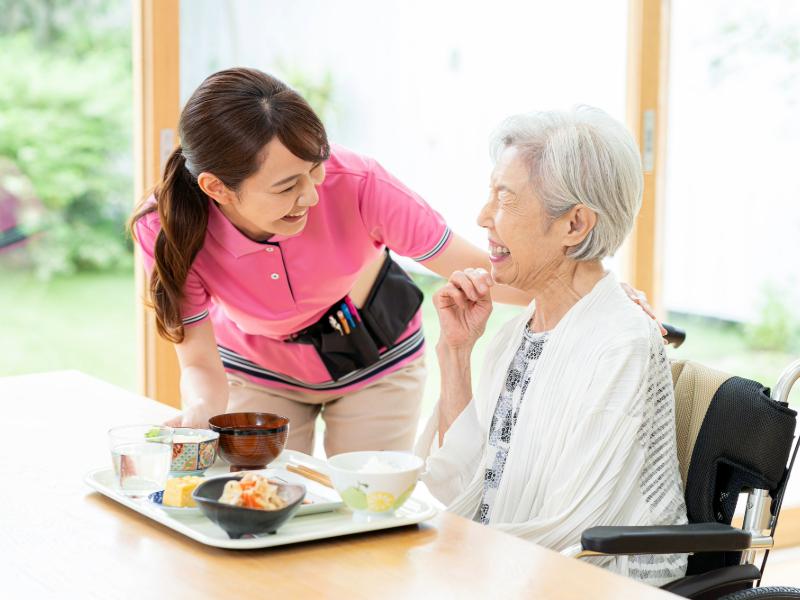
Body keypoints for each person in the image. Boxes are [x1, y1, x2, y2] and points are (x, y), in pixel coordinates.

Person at [130, 68, 657, 458]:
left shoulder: (359, 184)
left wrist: (597, 290)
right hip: (259, 370)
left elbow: (484, 273)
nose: (312, 195)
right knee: (263, 506)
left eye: (315, 170)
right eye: (287, 185)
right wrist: (201, 414)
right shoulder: (170, 228)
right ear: (217, 188)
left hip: (375, 363)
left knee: (362, 524)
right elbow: (199, 362)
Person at [416, 107, 688, 586]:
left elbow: (573, 534)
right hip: (506, 567)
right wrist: (456, 353)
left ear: (575, 225)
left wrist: (451, 560)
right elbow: (465, 485)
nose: (482, 217)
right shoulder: (519, 330)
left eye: (505, 199)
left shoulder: (618, 344)